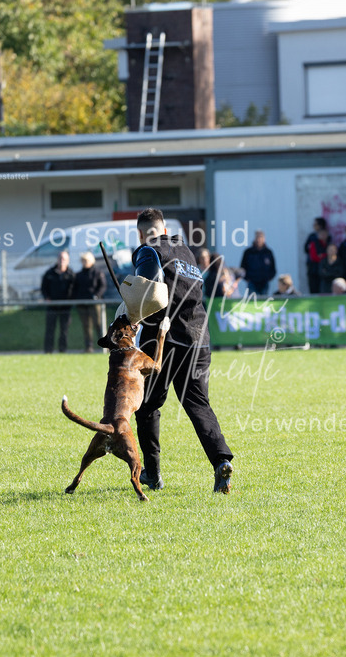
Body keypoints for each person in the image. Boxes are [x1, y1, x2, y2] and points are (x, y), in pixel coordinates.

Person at [128, 209, 235, 494]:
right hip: (199, 337)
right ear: (164, 229)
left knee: (148, 405)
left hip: (166, 338)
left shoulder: (148, 251)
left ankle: (152, 474)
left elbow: (146, 293)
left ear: (142, 233)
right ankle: (221, 460)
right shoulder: (185, 251)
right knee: (198, 404)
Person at [72, 251, 107, 353]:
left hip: (95, 303)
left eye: (86, 260)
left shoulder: (97, 273)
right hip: (82, 303)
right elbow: (75, 288)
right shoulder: (78, 275)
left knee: (99, 324)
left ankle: (104, 346)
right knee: (86, 326)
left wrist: (96, 295)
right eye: (83, 260)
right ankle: (89, 347)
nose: (84, 262)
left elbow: (102, 286)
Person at [41, 250, 74, 353]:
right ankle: (48, 350)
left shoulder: (71, 274)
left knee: (64, 331)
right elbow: (44, 287)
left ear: (68, 260)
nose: (61, 260)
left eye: (64, 259)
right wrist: (47, 297)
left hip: (66, 307)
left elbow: (74, 289)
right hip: (52, 306)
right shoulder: (49, 273)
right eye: (60, 258)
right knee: (50, 330)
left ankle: (62, 350)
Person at [239, 230, 277, 296]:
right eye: (257, 237)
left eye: (261, 237)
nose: (259, 239)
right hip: (252, 282)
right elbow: (242, 267)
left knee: (264, 302)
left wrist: (268, 278)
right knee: (252, 302)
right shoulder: (248, 252)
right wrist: (247, 278)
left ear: (264, 239)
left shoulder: (268, 252)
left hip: (264, 283)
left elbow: (273, 268)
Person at [303, 218, 330, 294]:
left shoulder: (328, 240)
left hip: (324, 269)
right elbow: (307, 250)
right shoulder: (312, 238)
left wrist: (323, 255)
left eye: (316, 225)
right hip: (313, 268)